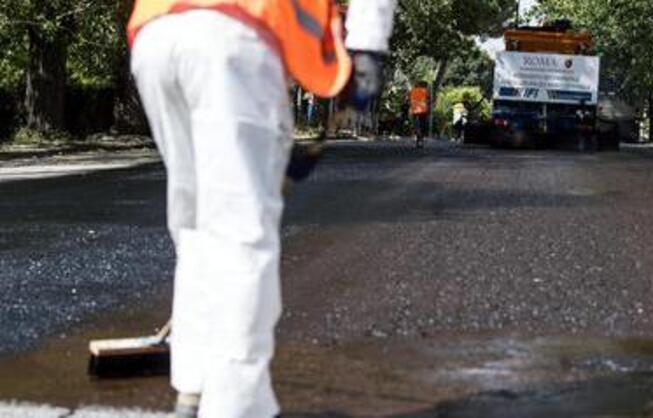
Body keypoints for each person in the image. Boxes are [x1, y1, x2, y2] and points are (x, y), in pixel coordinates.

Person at [126, 0, 397, 417]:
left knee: (197, 226)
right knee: (242, 237)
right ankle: (237, 406)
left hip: (157, 33)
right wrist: (368, 48)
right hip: (235, 39)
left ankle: (194, 389)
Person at [410, 83, 430, 148]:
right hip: (423, 109)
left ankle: (418, 139)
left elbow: (409, 100)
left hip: (415, 110)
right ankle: (421, 139)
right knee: (422, 125)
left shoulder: (413, 91)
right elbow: (428, 99)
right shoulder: (425, 91)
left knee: (416, 125)